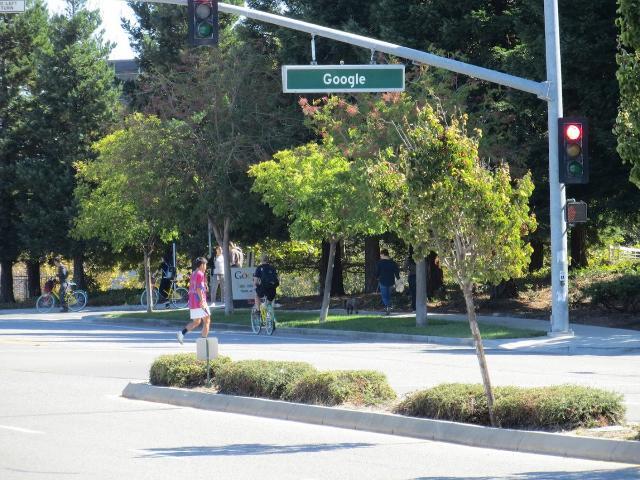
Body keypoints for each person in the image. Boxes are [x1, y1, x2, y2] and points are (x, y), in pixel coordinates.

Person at [177, 257, 210, 344]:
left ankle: (182, 333)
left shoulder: (194, 274)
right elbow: (199, 288)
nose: (206, 266)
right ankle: (203, 341)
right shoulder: (200, 274)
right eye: (205, 264)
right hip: (199, 301)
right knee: (207, 320)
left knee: (196, 321)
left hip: (192, 301)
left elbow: (196, 286)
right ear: (202, 265)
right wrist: (202, 300)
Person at [376, 248, 400, 315]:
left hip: (382, 281)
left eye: (381, 255)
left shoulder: (380, 263)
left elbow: (377, 272)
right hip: (391, 281)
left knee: (384, 296)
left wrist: (377, 277)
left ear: (383, 254)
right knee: (388, 296)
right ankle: (388, 307)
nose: (380, 256)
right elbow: (397, 272)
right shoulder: (393, 263)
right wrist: (398, 279)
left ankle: (388, 306)